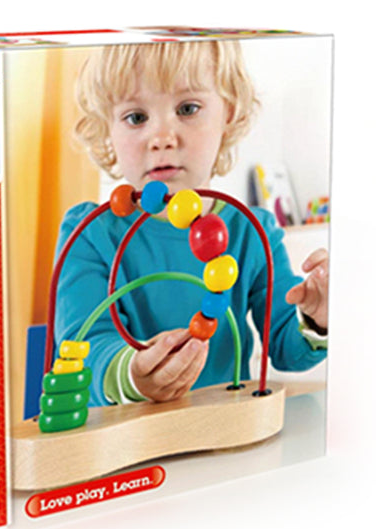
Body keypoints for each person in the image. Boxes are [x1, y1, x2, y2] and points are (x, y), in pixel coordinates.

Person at [53, 41, 328, 407]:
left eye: (187, 109)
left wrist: (317, 318)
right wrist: (133, 375)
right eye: (136, 117)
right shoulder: (88, 233)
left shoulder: (253, 231)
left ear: (228, 113)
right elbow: (84, 347)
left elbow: (288, 347)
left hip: (223, 432)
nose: (162, 139)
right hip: (122, 438)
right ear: (108, 130)